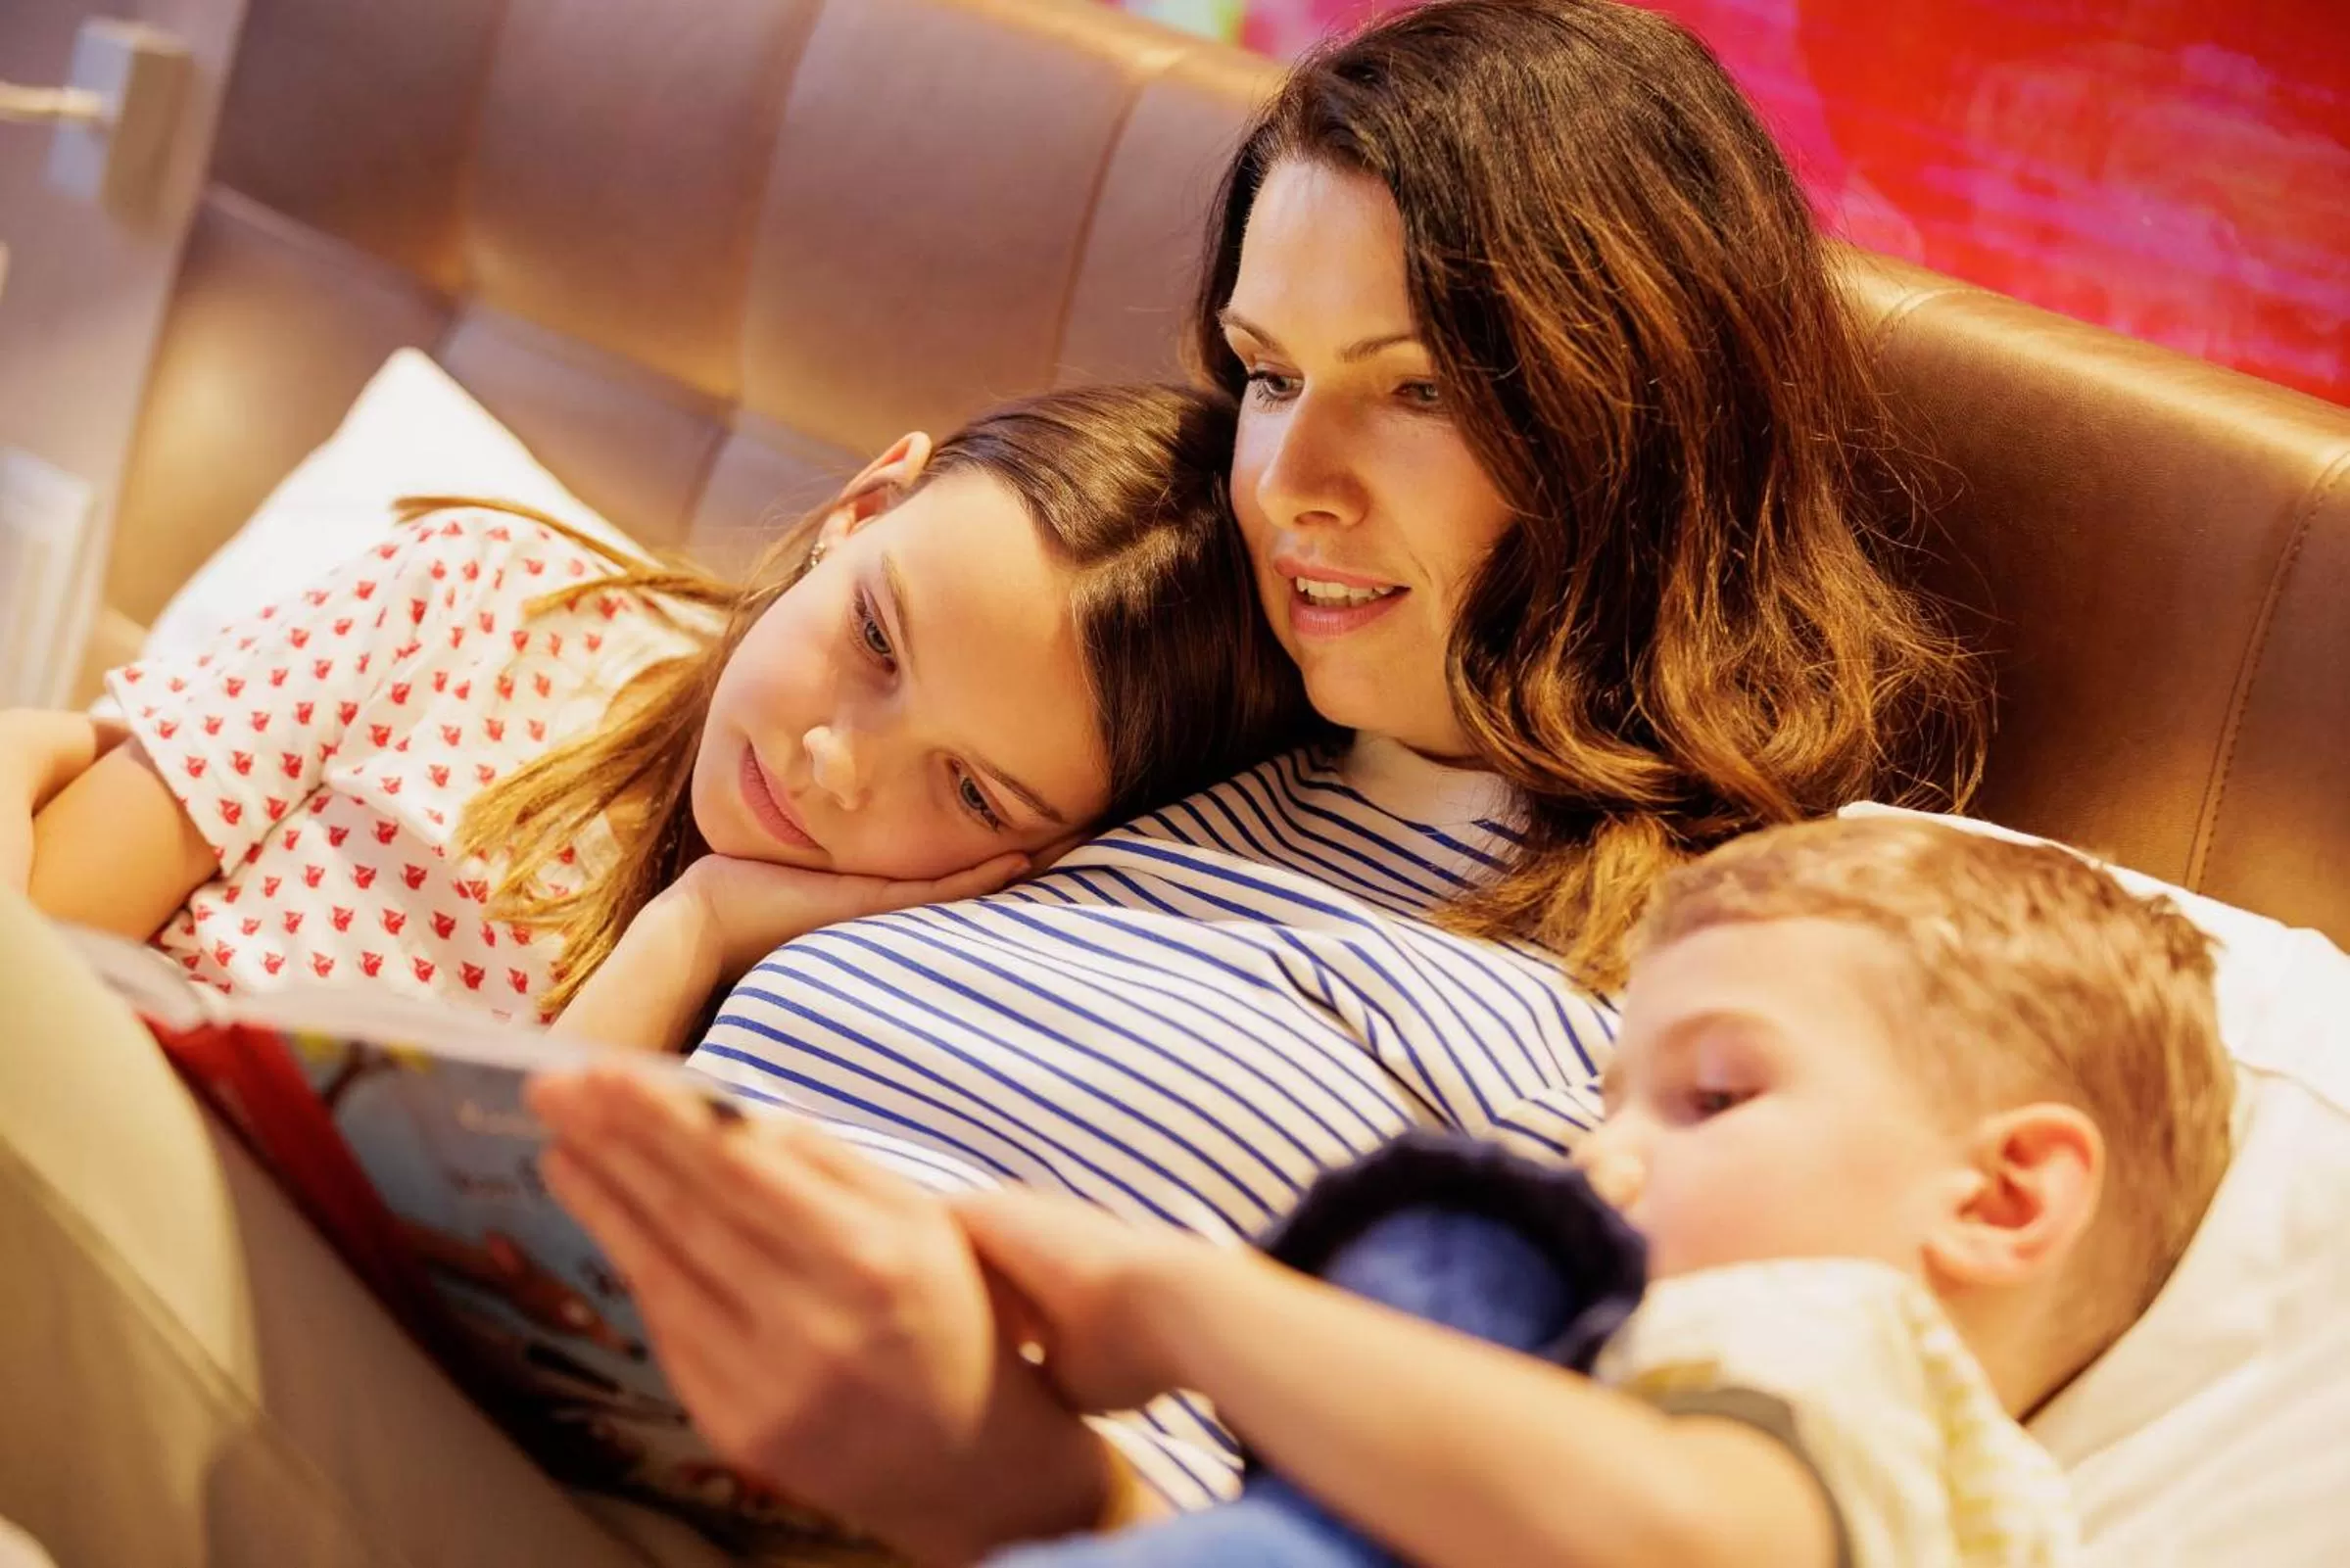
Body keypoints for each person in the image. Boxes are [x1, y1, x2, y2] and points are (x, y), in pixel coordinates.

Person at [0, 2, 1989, 1563]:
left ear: (1620, 426)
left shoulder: (1710, 971)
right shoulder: (1181, 743)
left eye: (1414, 392)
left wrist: (1000, 1470)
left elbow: (1512, 1504)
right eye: (1265, 374)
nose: (1283, 484)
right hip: (520, 1366)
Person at [930, 816, 2235, 1567]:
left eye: (1713, 1099)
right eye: (1606, 1105)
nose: (1594, 1161)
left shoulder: (1847, 1347)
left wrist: (1174, 1303)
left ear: (1998, 1200)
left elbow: (1673, 1541)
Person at [1, 384, 1308, 1050]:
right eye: (870, 637)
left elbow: (490, 1295)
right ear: (859, 508)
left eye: (971, 793)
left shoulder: (875, 995)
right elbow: (41, 948)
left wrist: (691, 935)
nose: (834, 764)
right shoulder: (486, 603)